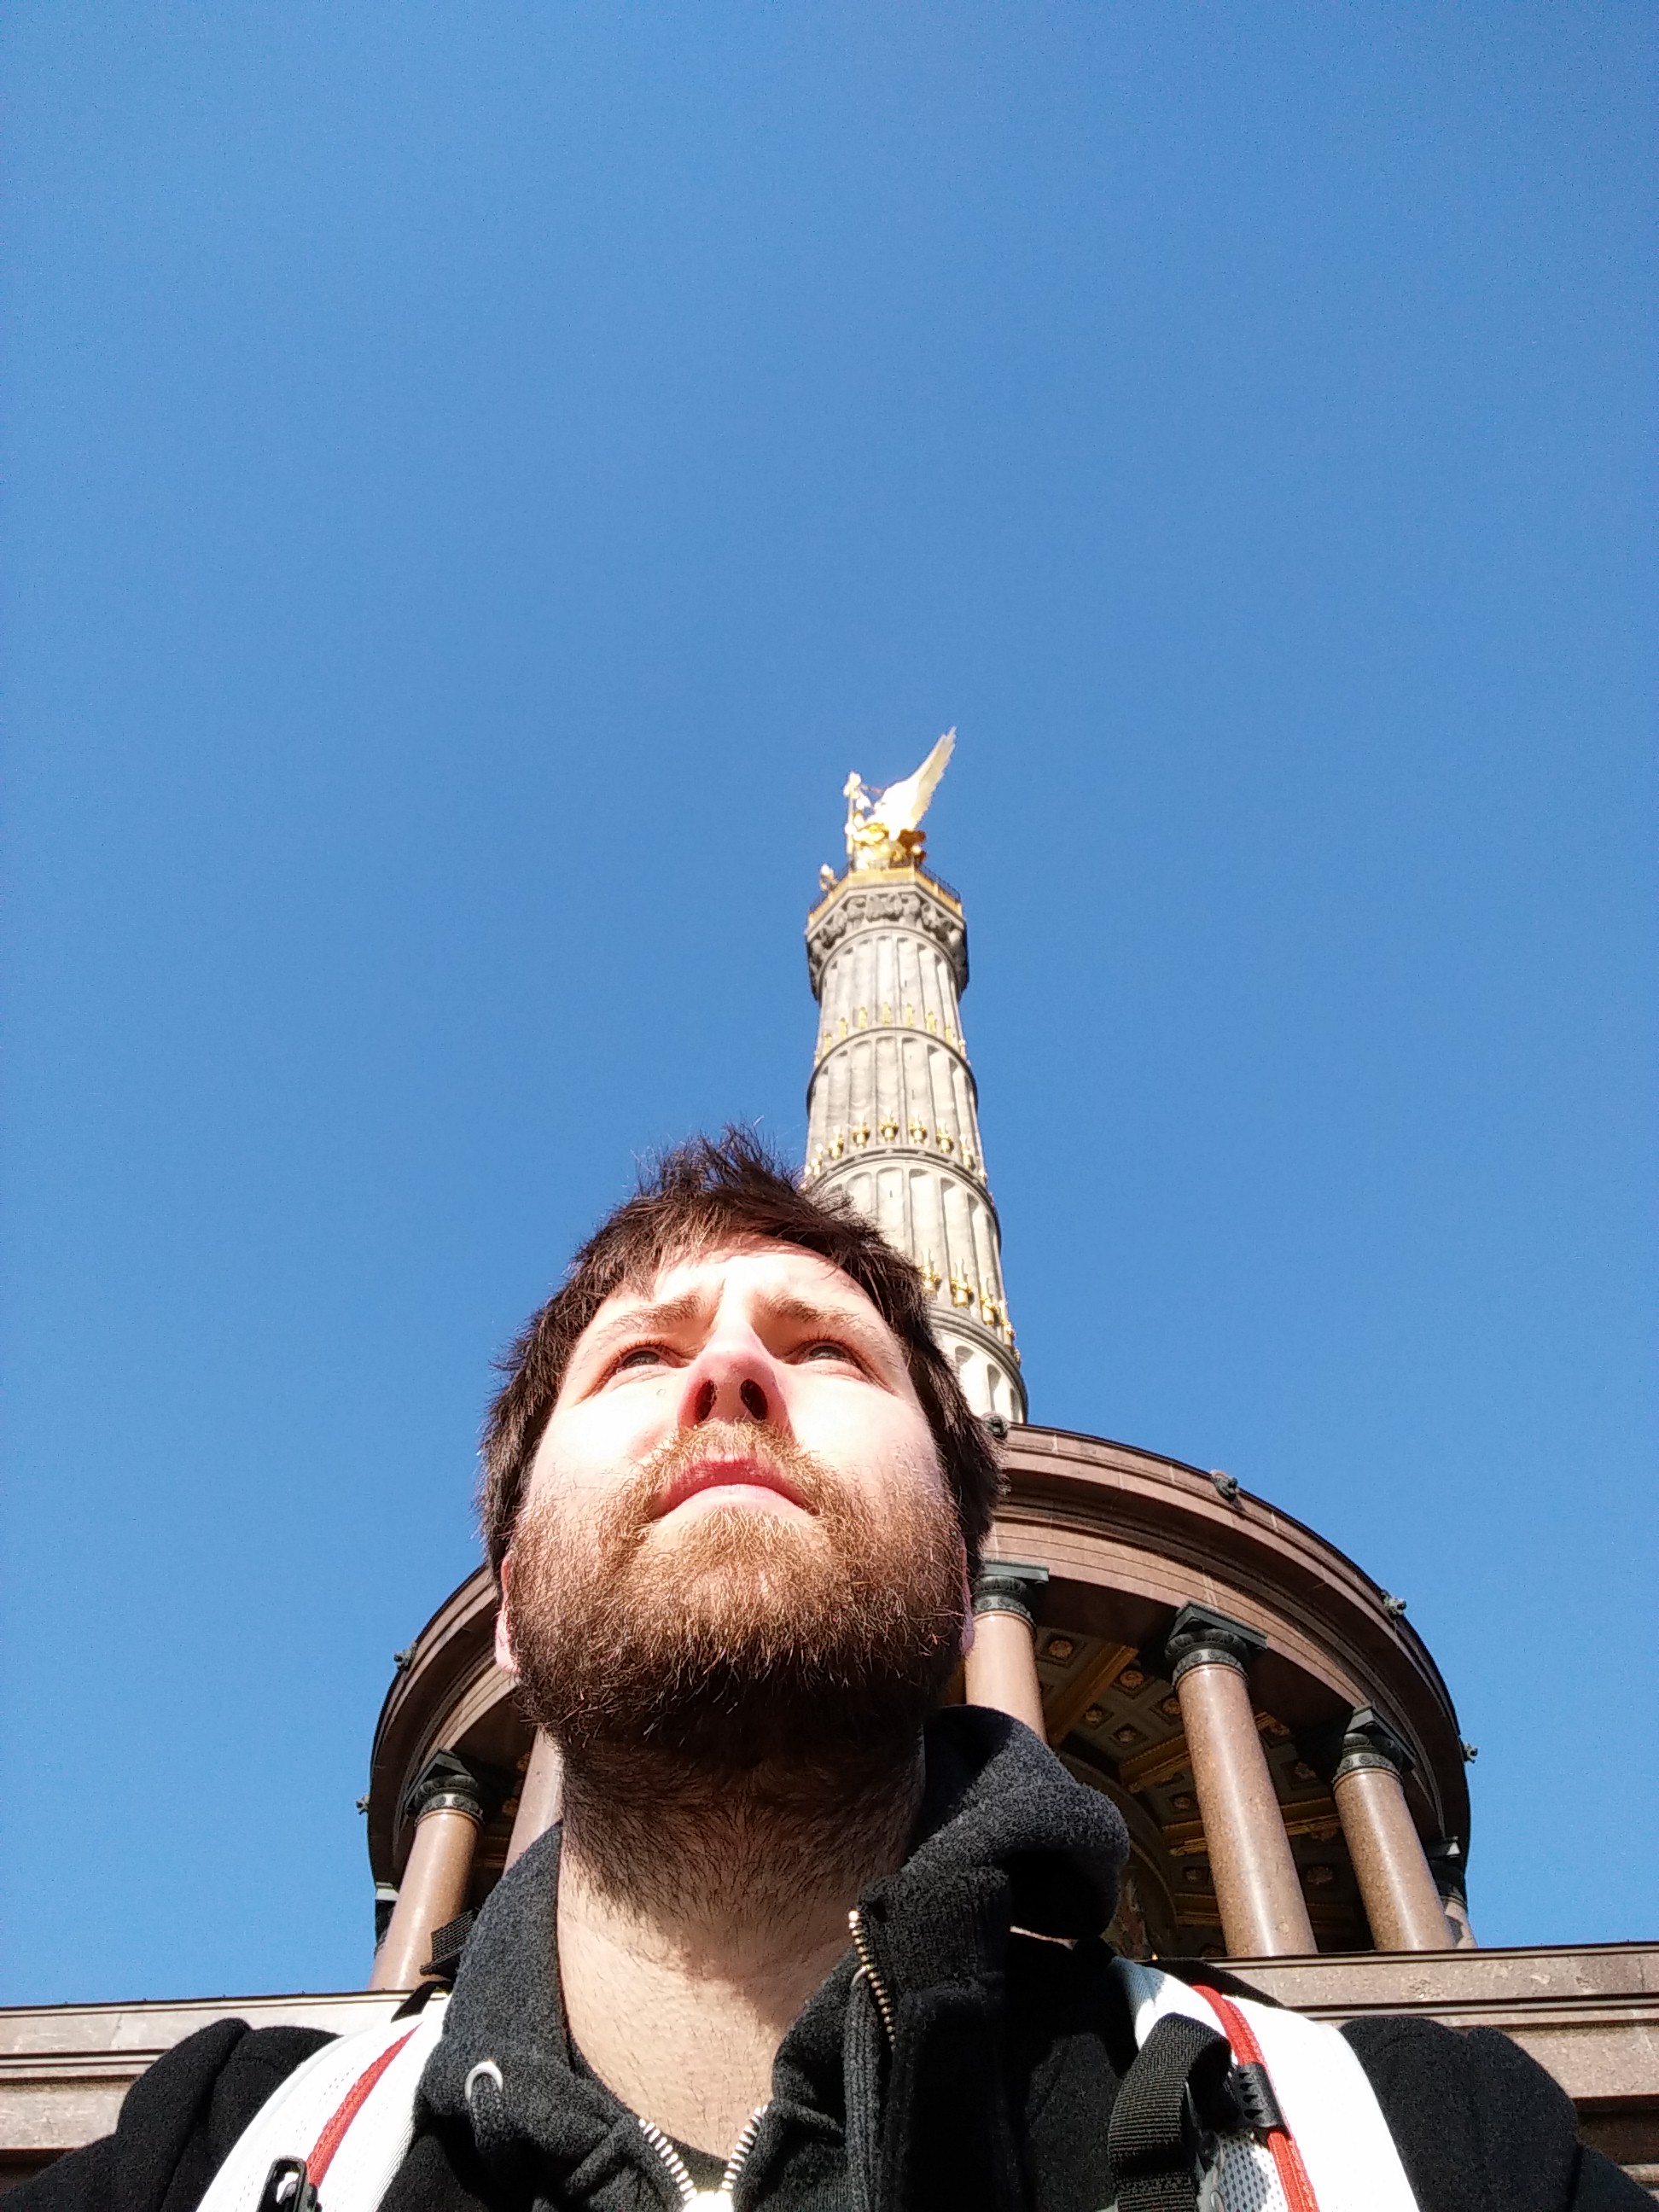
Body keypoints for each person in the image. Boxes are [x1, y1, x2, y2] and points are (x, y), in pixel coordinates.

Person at [19, 1132, 1644, 2212]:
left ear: (963, 1578)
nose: (729, 1370)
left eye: (825, 1349)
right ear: (510, 1610)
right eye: (645, 1357)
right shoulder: (213, 2155)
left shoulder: (1426, 2155)